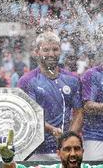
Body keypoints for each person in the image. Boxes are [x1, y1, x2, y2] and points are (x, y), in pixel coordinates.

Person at [18, 31, 83, 160]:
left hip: (65, 151)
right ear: (37, 52)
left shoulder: (73, 79)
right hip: (35, 151)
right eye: (46, 50)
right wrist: (52, 130)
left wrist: (69, 139)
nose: (51, 54)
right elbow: (28, 116)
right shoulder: (27, 81)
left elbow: (79, 113)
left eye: (55, 49)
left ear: (60, 51)